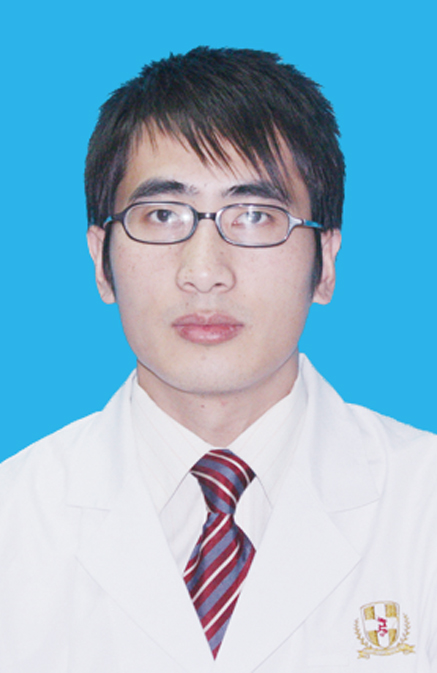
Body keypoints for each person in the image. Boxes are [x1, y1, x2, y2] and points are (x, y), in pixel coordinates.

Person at [0, 47, 436, 672]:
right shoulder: (13, 520)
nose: (204, 272)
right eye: (161, 215)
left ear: (326, 262)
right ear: (101, 260)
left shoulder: (424, 505)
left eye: (255, 215)